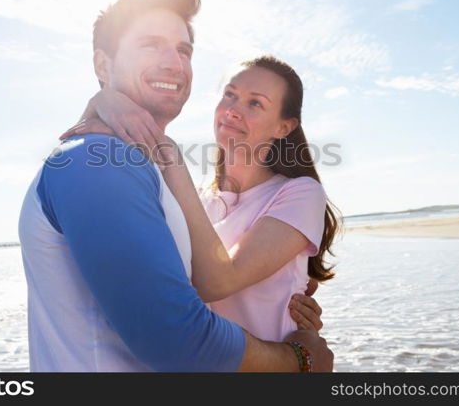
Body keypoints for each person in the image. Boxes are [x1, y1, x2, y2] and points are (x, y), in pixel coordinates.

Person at [18, 0, 333, 372]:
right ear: (103, 64)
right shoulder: (96, 162)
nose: (173, 62)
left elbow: (190, 297)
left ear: (284, 126)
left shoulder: (157, 177)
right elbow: (179, 335)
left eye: (183, 50)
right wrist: (300, 359)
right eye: (150, 44)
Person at [63, 55, 340, 343]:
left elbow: (219, 281)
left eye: (255, 103)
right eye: (230, 95)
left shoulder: (300, 193)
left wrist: (170, 156)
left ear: (283, 127)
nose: (233, 110)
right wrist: (102, 101)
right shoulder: (197, 200)